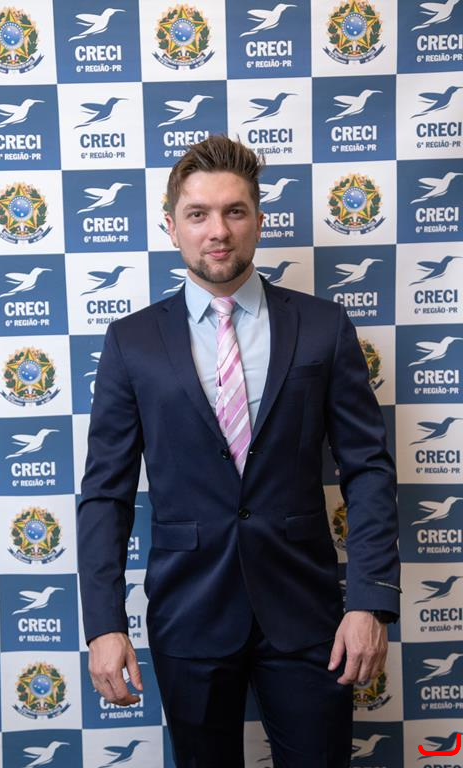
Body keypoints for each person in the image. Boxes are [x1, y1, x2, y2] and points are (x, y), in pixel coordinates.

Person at [78, 135, 400, 767]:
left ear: (258, 219)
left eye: (234, 211)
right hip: (188, 614)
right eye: (198, 214)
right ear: (171, 226)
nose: (217, 231)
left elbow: (368, 470)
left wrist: (369, 602)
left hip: (309, 615)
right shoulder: (131, 342)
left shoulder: (323, 326)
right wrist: (104, 624)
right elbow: (105, 494)